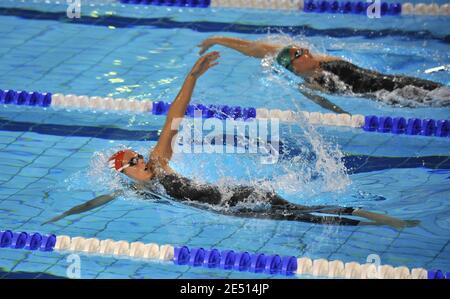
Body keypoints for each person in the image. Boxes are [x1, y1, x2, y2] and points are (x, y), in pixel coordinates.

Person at [43, 52, 419, 229]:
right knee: (302, 218)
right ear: (124, 173)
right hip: (228, 204)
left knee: (294, 212)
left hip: (234, 198)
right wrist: (62, 217)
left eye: (138, 156)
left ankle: (379, 219)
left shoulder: (158, 163)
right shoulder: (133, 190)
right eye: (134, 162)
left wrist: (192, 76)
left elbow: (175, 115)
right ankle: (372, 221)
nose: (142, 161)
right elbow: (95, 202)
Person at [198, 36, 447, 110]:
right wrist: (347, 117)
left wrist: (218, 39)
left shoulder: (321, 62)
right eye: (299, 53)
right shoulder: (309, 85)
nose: (306, 50)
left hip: (401, 83)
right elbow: (332, 108)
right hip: (392, 97)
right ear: (294, 66)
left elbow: (257, 49)